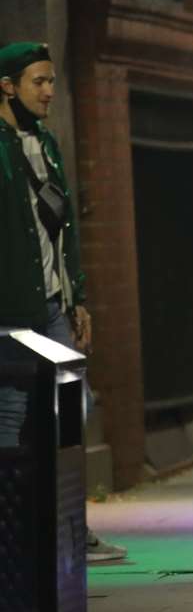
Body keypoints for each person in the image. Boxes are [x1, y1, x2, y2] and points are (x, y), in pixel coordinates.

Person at [0, 41, 125, 563]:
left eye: (52, 81)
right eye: (39, 82)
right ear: (7, 87)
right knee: (10, 414)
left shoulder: (46, 144)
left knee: (74, 406)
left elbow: (64, 231)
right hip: (11, 309)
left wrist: (79, 298)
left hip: (52, 305)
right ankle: (14, 533)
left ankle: (68, 526)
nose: (50, 91)